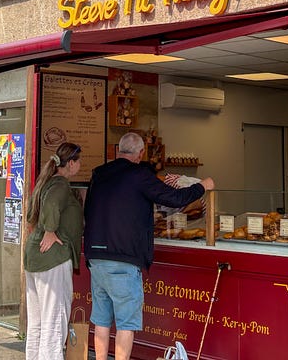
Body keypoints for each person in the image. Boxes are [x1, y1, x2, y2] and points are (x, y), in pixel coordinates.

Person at [84, 132, 215, 360]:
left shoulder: (99, 174)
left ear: (118, 150)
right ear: (141, 153)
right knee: (126, 323)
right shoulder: (139, 175)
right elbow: (173, 198)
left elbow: (89, 210)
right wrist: (202, 186)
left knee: (101, 319)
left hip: (96, 256)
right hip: (124, 259)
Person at [24, 142, 83, 360]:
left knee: (38, 322)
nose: (81, 166)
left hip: (36, 257)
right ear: (71, 164)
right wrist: (50, 231)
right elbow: (50, 205)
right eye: (79, 162)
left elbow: (32, 212)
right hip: (53, 259)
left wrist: (44, 231)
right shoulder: (60, 184)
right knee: (54, 320)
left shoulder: (47, 182)